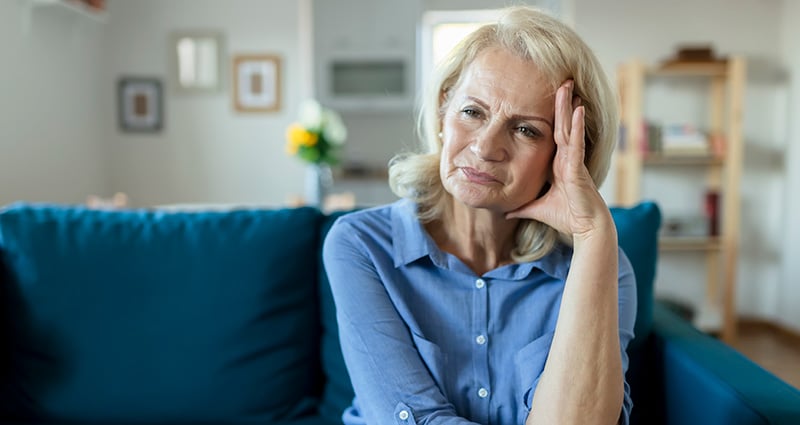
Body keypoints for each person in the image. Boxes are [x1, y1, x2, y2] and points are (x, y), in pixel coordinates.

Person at [323, 5, 636, 425]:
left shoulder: (602, 268)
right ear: (443, 110)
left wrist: (594, 233)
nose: (487, 147)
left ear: (566, 155)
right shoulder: (361, 245)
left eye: (526, 129)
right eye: (473, 112)